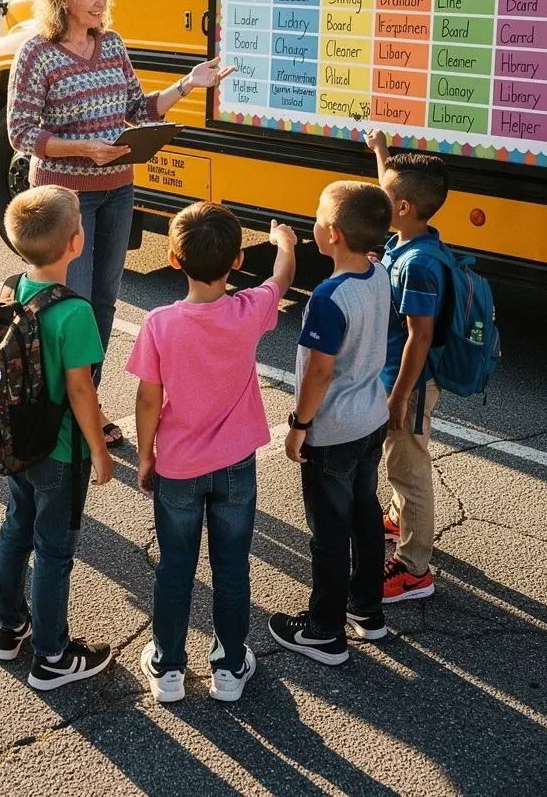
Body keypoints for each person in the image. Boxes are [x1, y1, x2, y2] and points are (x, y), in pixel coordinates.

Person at [7, 0, 234, 447]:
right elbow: (20, 133)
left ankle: (86, 399)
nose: (100, 1)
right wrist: (83, 148)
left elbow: (137, 107)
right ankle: (58, 405)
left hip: (117, 190)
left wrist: (187, 85)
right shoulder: (36, 53)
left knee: (105, 303)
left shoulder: (110, 44)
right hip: (67, 199)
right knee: (74, 305)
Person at [127, 202, 296, 703]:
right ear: (239, 260)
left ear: (174, 259)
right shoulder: (250, 310)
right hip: (237, 465)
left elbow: (147, 398)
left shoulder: (159, 324)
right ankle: (228, 666)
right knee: (232, 566)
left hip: (178, 467)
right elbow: (282, 278)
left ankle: (169, 667)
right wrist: (283, 241)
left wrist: (144, 457)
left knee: (176, 567)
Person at [0, 186, 115, 691]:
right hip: (61, 451)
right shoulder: (74, 312)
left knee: (15, 529)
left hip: (15, 443)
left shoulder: (11, 287)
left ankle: (8, 626)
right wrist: (101, 450)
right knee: (54, 550)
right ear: (76, 241)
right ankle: (52, 656)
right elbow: (81, 390)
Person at [268, 181, 393, 666]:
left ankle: (325, 629)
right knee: (365, 514)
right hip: (371, 419)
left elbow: (319, 372)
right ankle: (368, 608)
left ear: (333, 235)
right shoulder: (379, 272)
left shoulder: (326, 297)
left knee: (328, 530)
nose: (314, 222)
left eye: (318, 217)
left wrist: (299, 424)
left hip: (334, 430)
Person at [365, 131, 450, 604]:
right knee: (402, 460)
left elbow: (421, 336)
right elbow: (393, 191)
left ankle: (415, 568)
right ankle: (399, 519)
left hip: (410, 385)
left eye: (386, 196)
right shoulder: (412, 238)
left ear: (401, 208)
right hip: (403, 379)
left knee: (408, 466)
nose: (380, 197)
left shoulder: (418, 265)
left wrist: (398, 396)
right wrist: (381, 153)